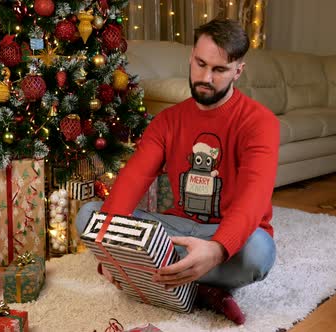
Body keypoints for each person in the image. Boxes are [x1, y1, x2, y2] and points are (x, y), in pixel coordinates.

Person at [75, 18, 279, 326]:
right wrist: (110, 250)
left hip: (226, 235)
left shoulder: (259, 122)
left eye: (219, 70)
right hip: (176, 230)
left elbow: (254, 198)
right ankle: (202, 288)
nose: (205, 77)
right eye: (200, 64)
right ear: (191, 56)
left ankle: (159, 277)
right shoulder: (167, 120)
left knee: (258, 253)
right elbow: (134, 178)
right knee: (90, 216)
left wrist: (218, 249)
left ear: (239, 70)